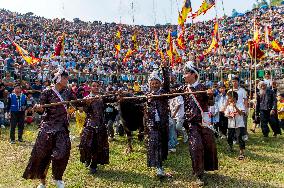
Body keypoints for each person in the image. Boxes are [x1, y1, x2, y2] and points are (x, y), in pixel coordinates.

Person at [23, 68, 76, 188]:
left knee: (62, 153)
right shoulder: (47, 92)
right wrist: (38, 108)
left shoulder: (68, 92)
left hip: (62, 128)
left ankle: (58, 178)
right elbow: (42, 111)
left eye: (67, 77)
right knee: (42, 156)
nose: (67, 80)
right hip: (48, 127)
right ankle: (42, 182)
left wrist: (87, 101)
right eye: (64, 77)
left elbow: (76, 103)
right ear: (57, 79)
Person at [174, 61, 218, 186]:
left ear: (194, 74)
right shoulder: (183, 88)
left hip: (204, 122)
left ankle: (206, 168)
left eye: (186, 73)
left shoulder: (203, 88)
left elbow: (211, 104)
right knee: (196, 146)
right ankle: (198, 173)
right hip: (191, 123)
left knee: (209, 144)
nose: (184, 76)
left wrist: (210, 96)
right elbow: (170, 92)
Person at [79, 82, 115, 174]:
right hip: (89, 124)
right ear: (90, 87)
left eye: (97, 86)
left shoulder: (102, 97)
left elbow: (112, 99)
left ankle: (94, 164)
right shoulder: (86, 98)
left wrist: (118, 95)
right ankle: (87, 159)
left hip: (100, 125)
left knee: (97, 145)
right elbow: (82, 109)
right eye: (94, 86)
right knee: (86, 144)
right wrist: (87, 103)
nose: (96, 88)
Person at [144, 61, 171, 178]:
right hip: (152, 124)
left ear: (160, 84)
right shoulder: (147, 95)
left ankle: (161, 160)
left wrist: (164, 69)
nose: (154, 85)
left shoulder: (164, 92)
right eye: (152, 83)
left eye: (156, 83)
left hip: (163, 123)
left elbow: (167, 83)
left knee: (163, 143)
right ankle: (159, 167)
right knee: (155, 142)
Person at [224, 91, 246, 160]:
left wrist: (235, 107)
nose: (228, 99)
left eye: (229, 98)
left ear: (234, 98)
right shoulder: (228, 106)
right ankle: (230, 147)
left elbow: (241, 113)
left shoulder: (240, 104)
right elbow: (226, 114)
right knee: (230, 136)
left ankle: (241, 152)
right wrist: (229, 115)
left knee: (240, 137)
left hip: (239, 124)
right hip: (231, 124)